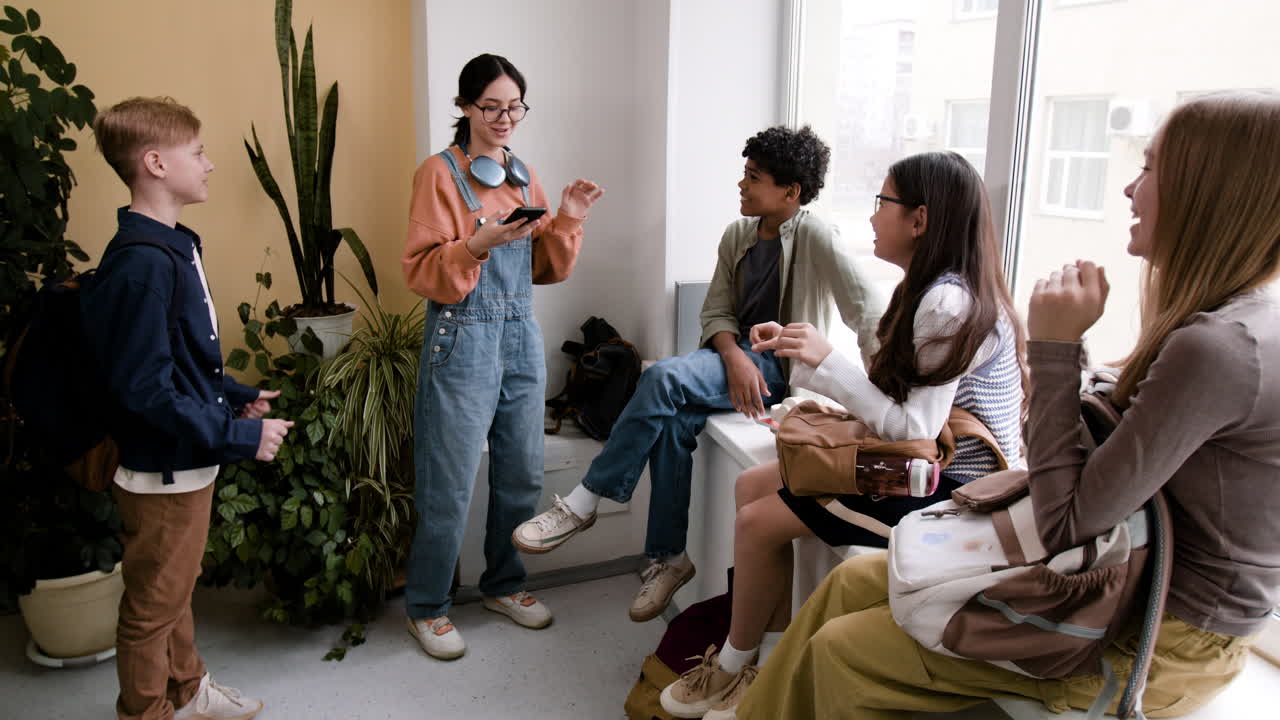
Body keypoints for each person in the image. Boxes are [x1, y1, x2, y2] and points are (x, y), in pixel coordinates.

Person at [734, 91, 1280, 720]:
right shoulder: (1220, 326)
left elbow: (1067, 518)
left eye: (1151, 168)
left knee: (841, 649)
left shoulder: (1218, 346)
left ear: (1207, 190)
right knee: (848, 582)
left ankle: (742, 679)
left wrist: (1056, 347)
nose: (1130, 188)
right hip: (1117, 583)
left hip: (1162, 633)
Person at [658, 150, 1027, 719]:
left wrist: (825, 363)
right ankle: (763, 656)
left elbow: (916, 428)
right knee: (752, 487)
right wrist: (806, 348)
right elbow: (901, 403)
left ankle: (737, 668)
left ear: (920, 220)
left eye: (883, 202)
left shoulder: (948, 304)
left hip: (952, 493)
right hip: (925, 467)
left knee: (757, 521)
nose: (873, 217)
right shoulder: (936, 289)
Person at [513, 126, 885, 624]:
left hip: (777, 369)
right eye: (744, 174)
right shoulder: (738, 234)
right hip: (733, 361)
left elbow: (865, 308)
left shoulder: (815, 234)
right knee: (669, 422)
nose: (742, 185)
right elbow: (716, 312)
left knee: (663, 379)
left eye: (754, 178)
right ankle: (668, 558)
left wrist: (881, 396)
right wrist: (732, 357)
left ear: (790, 192)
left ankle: (585, 500)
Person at [83, 97, 288, 720]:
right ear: (155, 163)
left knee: (174, 588)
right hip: (162, 469)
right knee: (152, 606)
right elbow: (145, 390)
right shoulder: (143, 263)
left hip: (181, 458)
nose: (210, 163)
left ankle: (187, 688)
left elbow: (178, 363)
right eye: (196, 152)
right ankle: (146, 712)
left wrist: (237, 396)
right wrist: (236, 436)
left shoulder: (170, 245)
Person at [400, 53, 603, 661]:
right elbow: (418, 269)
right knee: (450, 480)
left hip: (519, 334)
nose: (505, 117)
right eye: (491, 106)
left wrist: (568, 218)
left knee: (521, 472)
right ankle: (428, 606)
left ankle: (504, 585)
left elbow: (542, 269)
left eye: (515, 106)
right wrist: (473, 245)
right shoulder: (437, 175)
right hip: (462, 336)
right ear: (464, 108)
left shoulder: (521, 174)